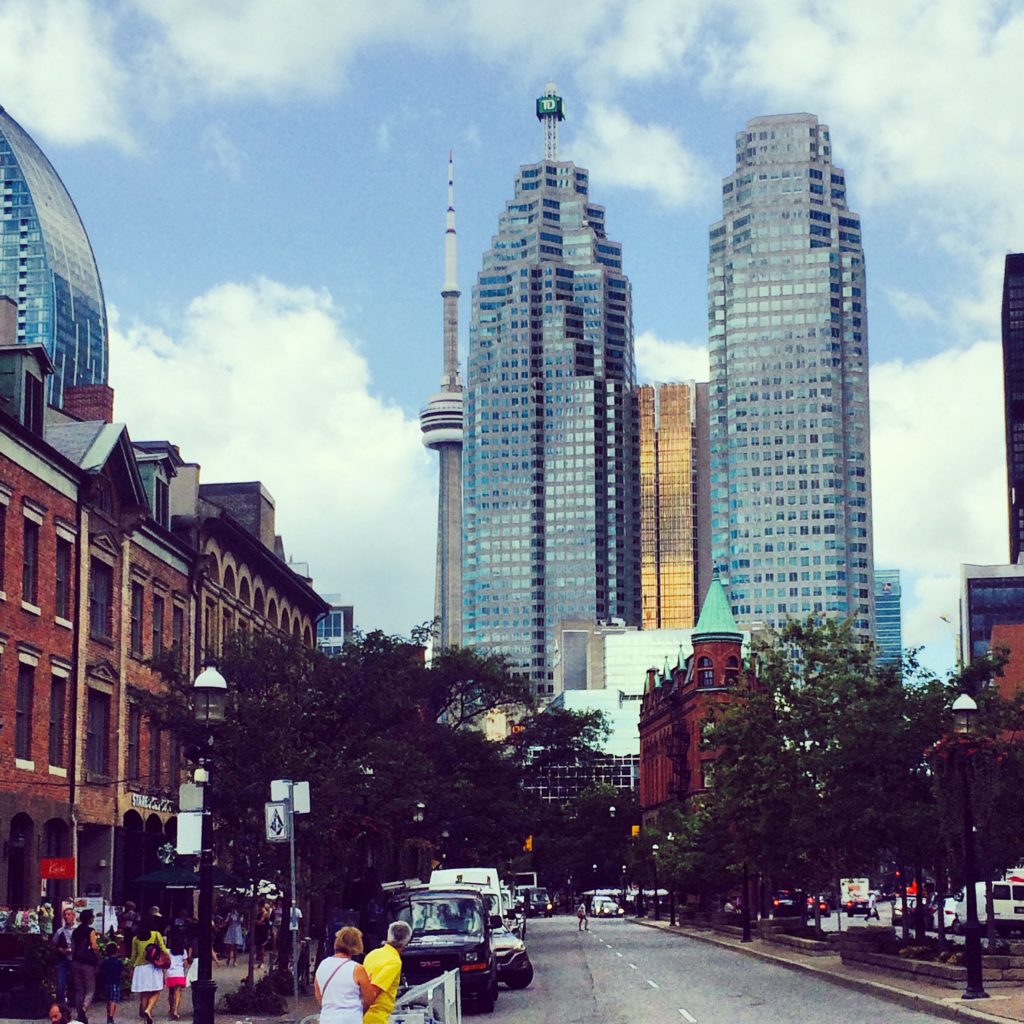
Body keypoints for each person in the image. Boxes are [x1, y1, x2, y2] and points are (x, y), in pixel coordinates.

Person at [313, 927, 374, 1024]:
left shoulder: (323, 965)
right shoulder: (357, 969)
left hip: (327, 1018)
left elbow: (318, 993)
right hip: (350, 1018)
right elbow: (370, 998)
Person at [362, 921, 412, 1024]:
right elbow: (374, 991)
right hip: (376, 1017)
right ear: (406, 942)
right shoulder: (394, 962)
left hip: (361, 1014)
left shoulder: (372, 954)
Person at [129, 909, 167, 1024]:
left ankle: (144, 1012)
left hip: (140, 968)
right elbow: (164, 949)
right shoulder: (156, 935)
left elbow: (133, 956)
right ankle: (148, 1009)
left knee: (144, 992)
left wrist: (131, 968)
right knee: (156, 990)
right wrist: (167, 960)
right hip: (153, 967)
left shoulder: (135, 938)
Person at [71, 908, 101, 1024]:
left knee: (79, 989)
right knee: (90, 989)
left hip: (76, 962)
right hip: (88, 963)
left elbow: (73, 947)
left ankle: (80, 1015)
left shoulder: (75, 931)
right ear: (90, 919)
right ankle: (84, 1008)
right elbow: (93, 946)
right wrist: (98, 957)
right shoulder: (90, 931)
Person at [164, 925, 190, 1020]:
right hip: (179, 973)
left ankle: (171, 1008)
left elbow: (165, 963)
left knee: (171, 992)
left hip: (170, 974)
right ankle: (176, 1010)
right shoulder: (183, 951)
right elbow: (186, 964)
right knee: (178, 992)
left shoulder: (167, 951)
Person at [54, 907, 76, 1005]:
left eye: (69, 914)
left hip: (75, 959)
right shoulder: (60, 931)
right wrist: (61, 950)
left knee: (75, 981)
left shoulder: (77, 930)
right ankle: (61, 1002)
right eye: (65, 915)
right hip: (63, 959)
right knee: (61, 982)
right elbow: (53, 944)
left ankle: (73, 1000)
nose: (67, 917)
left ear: (73, 916)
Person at [98, 942, 123, 1024]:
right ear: (116, 951)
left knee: (108, 1001)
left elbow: (101, 971)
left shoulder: (104, 962)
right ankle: (110, 1017)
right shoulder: (118, 962)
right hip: (115, 982)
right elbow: (121, 972)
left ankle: (109, 1015)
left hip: (106, 983)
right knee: (113, 1001)